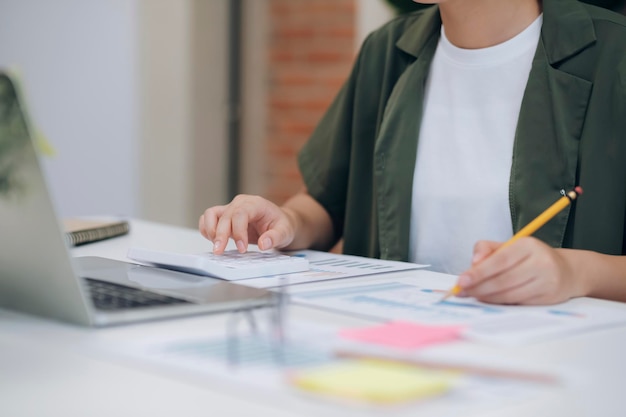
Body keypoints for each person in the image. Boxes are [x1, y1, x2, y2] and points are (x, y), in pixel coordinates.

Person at [199, 0, 626, 306]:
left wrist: (576, 273)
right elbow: (327, 203)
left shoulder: (614, 56)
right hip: (401, 357)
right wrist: (287, 222)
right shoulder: (386, 52)